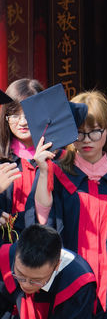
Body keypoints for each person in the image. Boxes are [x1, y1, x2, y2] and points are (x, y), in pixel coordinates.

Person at [27, 91, 107, 306]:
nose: (86, 140)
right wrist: (42, 172)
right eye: (78, 133)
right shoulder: (56, 174)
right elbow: (42, 221)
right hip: (69, 278)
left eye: (94, 132)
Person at [0, 79, 44, 220]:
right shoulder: (1, 158)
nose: (23, 122)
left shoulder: (57, 157)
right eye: (15, 115)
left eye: (29, 114)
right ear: (6, 116)